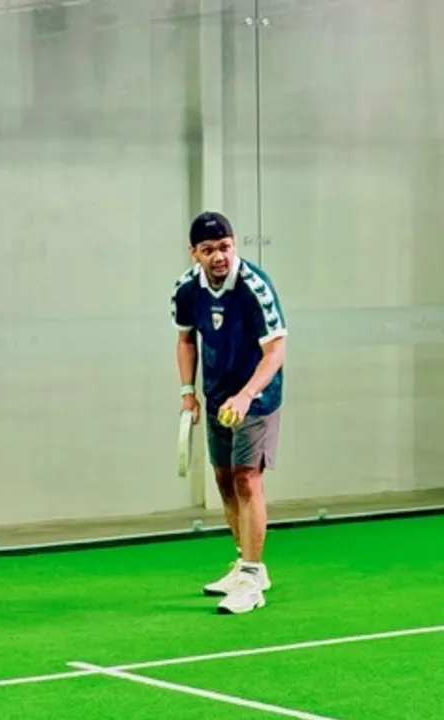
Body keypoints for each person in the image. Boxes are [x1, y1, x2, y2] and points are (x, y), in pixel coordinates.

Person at [170, 211, 287, 615]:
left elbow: (275, 351)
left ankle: (252, 580)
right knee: (223, 479)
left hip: (257, 394)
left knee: (246, 478)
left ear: (234, 245)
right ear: (194, 253)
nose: (219, 256)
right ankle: (244, 563)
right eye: (208, 250)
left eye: (225, 247)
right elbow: (186, 341)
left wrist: (246, 395)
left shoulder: (255, 287)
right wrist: (188, 393)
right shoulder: (187, 290)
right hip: (217, 394)